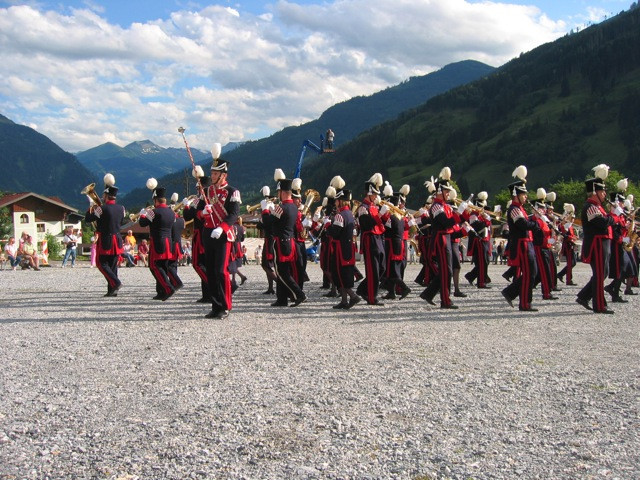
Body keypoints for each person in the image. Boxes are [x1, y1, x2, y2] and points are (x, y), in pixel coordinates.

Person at [197, 145, 241, 319]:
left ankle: (225, 306)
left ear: (224, 175)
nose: (212, 176)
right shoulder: (207, 191)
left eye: (215, 174)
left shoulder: (232, 192)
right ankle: (215, 305)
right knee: (210, 271)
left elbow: (233, 214)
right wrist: (203, 212)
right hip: (208, 233)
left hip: (222, 235)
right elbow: (197, 212)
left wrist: (221, 228)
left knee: (221, 271)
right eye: (212, 173)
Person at [261, 169, 306, 307]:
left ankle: (299, 294)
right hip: (289, 241)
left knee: (282, 272)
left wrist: (265, 210)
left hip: (281, 243)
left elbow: (268, 222)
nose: (278, 195)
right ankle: (282, 298)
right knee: (283, 271)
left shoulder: (282, 207)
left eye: (279, 192)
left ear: (283, 192)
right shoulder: (293, 207)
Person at [576, 166, 616, 314]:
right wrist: (613, 216)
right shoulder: (591, 207)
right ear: (595, 192)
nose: (605, 194)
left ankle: (584, 296)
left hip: (602, 243)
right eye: (602, 191)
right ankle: (599, 305)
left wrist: (612, 217)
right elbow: (603, 223)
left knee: (603, 273)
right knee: (599, 274)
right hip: (597, 244)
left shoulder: (598, 207)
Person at [500, 166, 538, 311]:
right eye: (523, 194)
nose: (526, 196)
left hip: (527, 244)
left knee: (532, 273)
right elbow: (522, 224)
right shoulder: (514, 209)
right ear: (516, 194)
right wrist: (535, 223)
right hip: (522, 245)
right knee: (529, 273)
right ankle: (525, 303)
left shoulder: (520, 209)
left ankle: (510, 292)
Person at [420, 167, 458, 309]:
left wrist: (463, 218)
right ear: (440, 191)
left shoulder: (444, 206)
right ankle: (445, 300)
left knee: (446, 271)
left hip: (446, 238)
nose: (449, 193)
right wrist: (458, 214)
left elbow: (451, 225)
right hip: (440, 239)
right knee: (446, 271)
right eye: (446, 191)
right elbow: (446, 223)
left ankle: (429, 294)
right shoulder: (436, 206)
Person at [85, 173, 125, 296]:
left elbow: (88, 219)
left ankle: (116, 283)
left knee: (101, 263)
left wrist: (91, 206)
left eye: (103, 195)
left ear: (107, 195)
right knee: (113, 266)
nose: (102, 197)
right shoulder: (121, 208)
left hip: (106, 239)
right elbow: (120, 222)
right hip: (117, 239)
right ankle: (112, 291)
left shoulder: (101, 209)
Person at [139, 180, 177, 301]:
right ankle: (161, 291)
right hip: (168, 241)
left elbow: (142, 223)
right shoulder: (171, 212)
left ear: (155, 200)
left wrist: (142, 214)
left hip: (157, 241)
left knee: (154, 266)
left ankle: (167, 288)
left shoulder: (153, 212)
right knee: (163, 266)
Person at [326, 182, 361, 309]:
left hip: (340, 249)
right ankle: (344, 300)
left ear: (340, 201)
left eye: (336, 201)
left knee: (339, 274)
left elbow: (334, 233)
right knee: (344, 273)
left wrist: (328, 225)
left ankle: (353, 296)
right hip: (348, 247)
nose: (335, 203)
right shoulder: (350, 214)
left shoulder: (340, 216)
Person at [355, 173, 386, 305]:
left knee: (382, 268)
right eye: (374, 194)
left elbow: (380, 223)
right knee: (373, 270)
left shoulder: (373, 206)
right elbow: (366, 224)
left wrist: (385, 215)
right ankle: (372, 297)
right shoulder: (363, 207)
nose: (376, 196)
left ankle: (362, 289)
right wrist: (380, 215)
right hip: (370, 238)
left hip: (378, 237)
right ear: (369, 193)